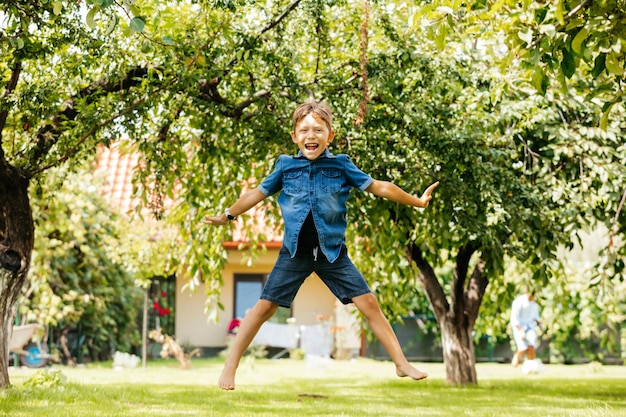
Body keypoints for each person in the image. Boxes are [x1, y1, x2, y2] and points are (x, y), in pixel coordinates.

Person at [204, 100, 439, 390]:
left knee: (369, 303)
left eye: (318, 129)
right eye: (304, 130)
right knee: (262, 309)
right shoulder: (285, 166)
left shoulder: (340, 164)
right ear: (294, 136)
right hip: (295, 253)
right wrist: (228, 215)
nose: (310, 136)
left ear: (330, 135)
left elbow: (378, 186)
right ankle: (230, 366)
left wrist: (416, 201)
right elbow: (257, 193)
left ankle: (401, 364)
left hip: (333, 254)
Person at [510, 290, 541, 368]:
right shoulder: (518, 302)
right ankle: (514, 365)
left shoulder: (534, 304)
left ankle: (531, 367)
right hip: (519, 327)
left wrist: (540, 325)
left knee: (531, 346)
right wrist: (520, 331)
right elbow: (514, 319)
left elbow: (535, 317)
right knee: (523, 348)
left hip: (530, 327)